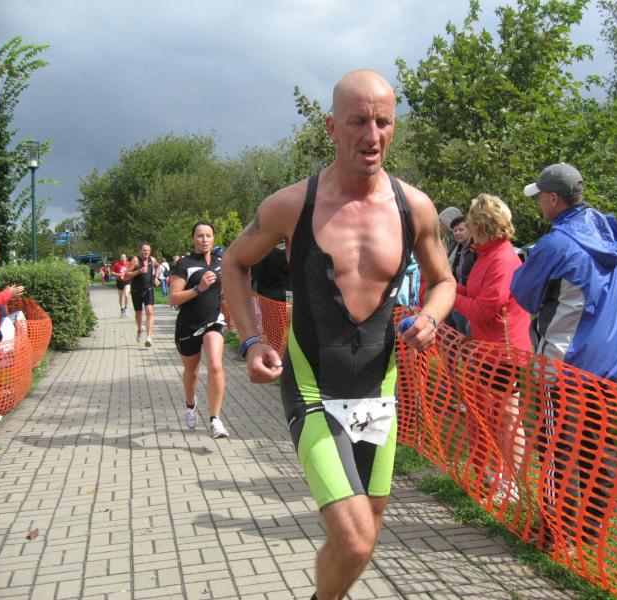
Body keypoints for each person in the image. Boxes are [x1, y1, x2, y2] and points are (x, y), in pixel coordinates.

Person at [222, 69, 456, 600]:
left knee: (367, 529)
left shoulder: (414, 206)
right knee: (354, 541)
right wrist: (252, 340)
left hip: (378, 391)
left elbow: (444, 282)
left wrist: (430, 318)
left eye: (383, 122)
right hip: (313, 387)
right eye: (357, 122)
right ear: (331, 127)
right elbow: (234, 263)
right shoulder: (292, 205)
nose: (371, 136)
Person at [511, 163, 617, 550]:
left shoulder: (555, 244)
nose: (538, 204)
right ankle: (591, 529)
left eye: (540, 197)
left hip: (564, 365)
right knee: (599, 447)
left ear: (554, 198)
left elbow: (523, 293)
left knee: (558, 450)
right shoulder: (608, 230)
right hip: (607, 362)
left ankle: (557, 531)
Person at [454, 194, 531, 506]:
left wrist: (451, 297)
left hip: (504, 353)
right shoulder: (486, 255)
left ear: (481, 226)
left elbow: (484, 308)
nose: (468, 228)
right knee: (493, 416)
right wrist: (450, 286)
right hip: (488, 350)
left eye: (471, 222)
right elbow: (475, 293)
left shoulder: (502, 259)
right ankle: (496, 474)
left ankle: (511, 483)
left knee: (507, 419)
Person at [169, 222, 229, 439]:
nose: (204, 240)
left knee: (215, 365)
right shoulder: (184, 264)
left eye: (208, 235)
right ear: (193, 238)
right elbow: (173, 298)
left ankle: (215, 420)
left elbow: (225, 291)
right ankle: (190, 405)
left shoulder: (221, 262)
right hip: (189, 325)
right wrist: (198, 288)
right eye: (200, 236)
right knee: (192, 372)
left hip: (214, 321)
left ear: (213, 238)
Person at [447, 214, 477, 334]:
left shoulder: (476, 248)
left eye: (461, 229)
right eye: (455, 231)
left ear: (469, 230)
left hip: (471, 298)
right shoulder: (458, 248)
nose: (457, 233)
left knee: (468, 334)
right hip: (458, 296)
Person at [126, 243, 158, 347]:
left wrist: (156, 277)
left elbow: (158, 266)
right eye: (144, 250)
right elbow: (126, 275)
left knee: (149, 311)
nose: (146, 252)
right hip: (136, 290)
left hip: (148, 289)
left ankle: (149, 337)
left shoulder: (152, 259)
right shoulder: (135, 260)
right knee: (139, 314)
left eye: (148, 250)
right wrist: (139, 271)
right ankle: (139, 329)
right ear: (140, 251)